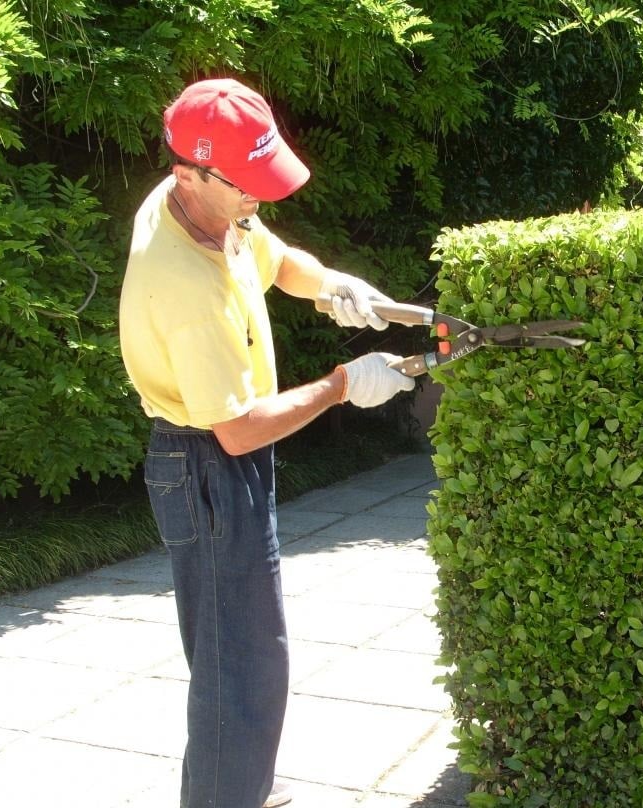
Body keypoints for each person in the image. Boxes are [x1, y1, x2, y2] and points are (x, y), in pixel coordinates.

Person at [118, 77, 415, 808]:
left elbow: (273, 257)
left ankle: (237, 785)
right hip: (205, 464)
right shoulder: (181, 283)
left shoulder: (213, 207)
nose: (260, 197)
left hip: (221, 461)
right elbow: (238, 425)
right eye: (247, 185)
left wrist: (332, 284)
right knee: (241, 666)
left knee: (240, 656)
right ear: (190, 171)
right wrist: (345, 384)